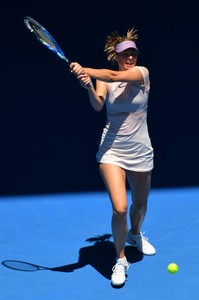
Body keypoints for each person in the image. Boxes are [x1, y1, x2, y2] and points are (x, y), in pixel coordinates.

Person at [70, 28, 156, 286]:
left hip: (140, 149)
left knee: (139, 205)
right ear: (116, 56)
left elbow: (110, 74)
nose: (130, 57)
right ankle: (120, 259)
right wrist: (87, 85)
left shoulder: (142, 73)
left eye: (133, 53)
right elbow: (98, 104)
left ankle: (135, 234)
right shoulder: (105, 80)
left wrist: (84, 68)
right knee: (119, 208)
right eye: (125, 54)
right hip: (112, 150)